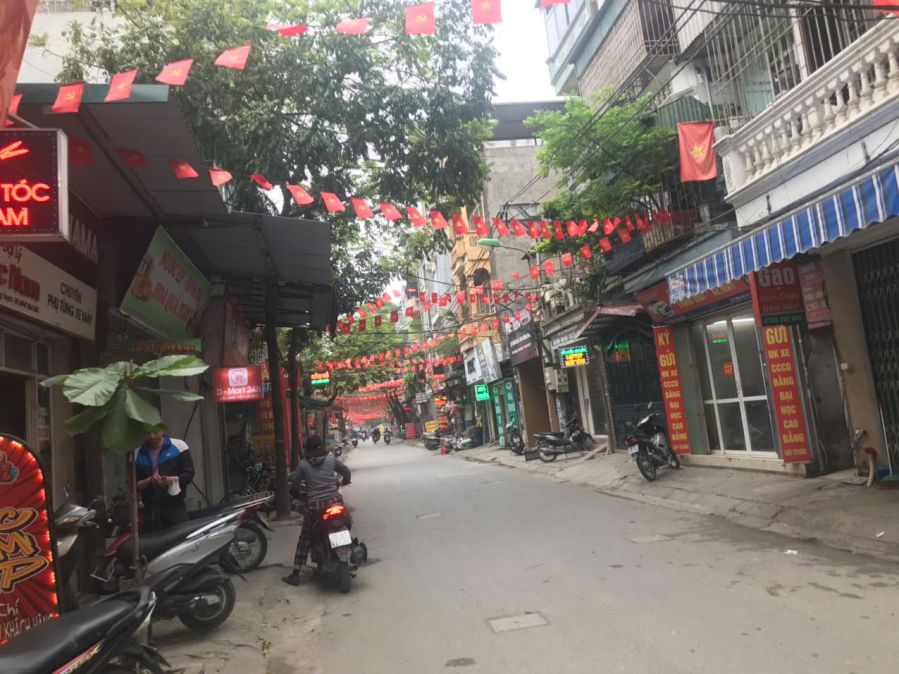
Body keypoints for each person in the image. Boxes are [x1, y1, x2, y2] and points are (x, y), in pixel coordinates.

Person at [283, 435, 351, 586]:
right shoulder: (331, 459)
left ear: (307, 449)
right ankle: (347, 548)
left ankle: (295, 575)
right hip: (335, 502)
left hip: (315, 507)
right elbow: (346, 471)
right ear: (322, 446)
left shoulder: (303, 465)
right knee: (346, 522)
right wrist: (346, 480)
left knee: (305, 539)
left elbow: (295, 484)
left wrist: (297, 494)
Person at [135, 430, 195, 533]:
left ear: (162, 429)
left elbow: (189, 474)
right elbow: (134, 485)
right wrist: (149, 481)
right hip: (150, 510)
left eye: (155, 432)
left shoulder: (179, 446)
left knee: (180, 538)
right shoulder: (138, 453)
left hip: (175, 507)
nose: (152, 436)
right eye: (148, 433)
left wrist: (173, 480)